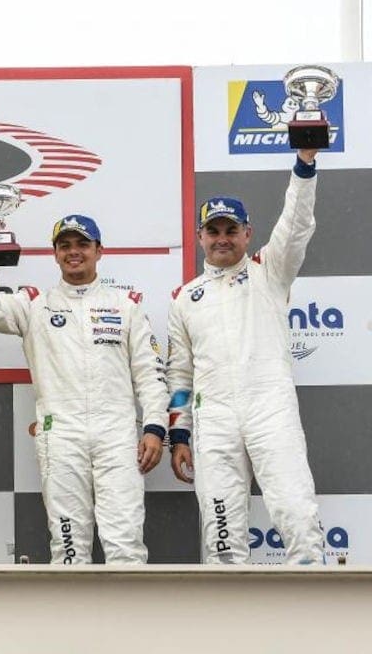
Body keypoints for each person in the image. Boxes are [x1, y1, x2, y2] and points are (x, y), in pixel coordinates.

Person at [0, 214, 167, 564]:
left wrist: (154, 428)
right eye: (65, 246)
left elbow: (150, 375)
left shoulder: (126, 306)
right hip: (60, 433)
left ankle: (127, 619)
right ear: (55, 254)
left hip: (116, 435)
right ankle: (75, 619)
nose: (74, 252)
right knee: (69, 545)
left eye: (82, 244)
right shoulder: (34, 305)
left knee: (125, 543)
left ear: (99, 251)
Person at [166, 149, 324, 564]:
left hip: (269, 406)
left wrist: (304, 165)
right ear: (200, 236)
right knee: (221, 533)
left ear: (247, 234)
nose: (221, 238)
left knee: (295, 511)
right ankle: (227, 624)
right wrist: (179, 435)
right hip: (213, 417)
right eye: (213, 230)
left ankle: (313, 615)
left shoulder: (270, 271)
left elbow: (296, 226)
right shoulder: (185, 298)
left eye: (230, 230)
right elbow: (180, 376)